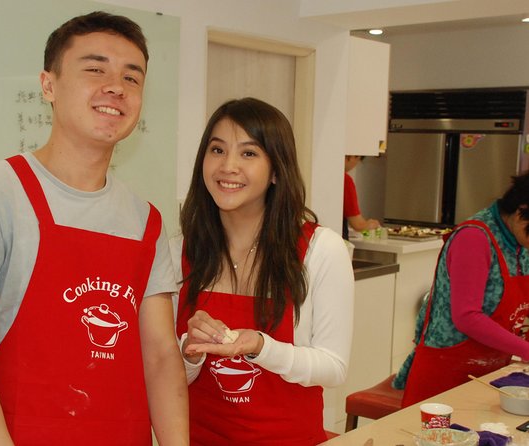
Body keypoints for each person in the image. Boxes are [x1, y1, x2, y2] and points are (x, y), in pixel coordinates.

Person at [0, 12, 188, 445]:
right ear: (48, 85)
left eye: (132, 77)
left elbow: (161, 357)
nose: (115, 87)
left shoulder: (146, 220)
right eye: (94, 69)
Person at [171, 97, 354, 445]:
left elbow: (334, 367)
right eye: (217, 150)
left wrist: (259, 347)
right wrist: (189, 351)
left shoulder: (320, 250)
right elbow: (166, 373)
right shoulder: (178, 249)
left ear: (275, 171)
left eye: (249, 153)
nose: (228, 166)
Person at [393, 172, 529, 407]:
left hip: (491, 370)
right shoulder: (474, 237)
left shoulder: (520, 243)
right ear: (521, 213)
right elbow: (467, 316)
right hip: (446, 373)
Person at [343, 155, 380, 240]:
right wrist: (372, 224)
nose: (357, 163)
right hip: (338, 240)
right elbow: (358, 225)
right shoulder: (345, 180)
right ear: (351, 157)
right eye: (358, 159)